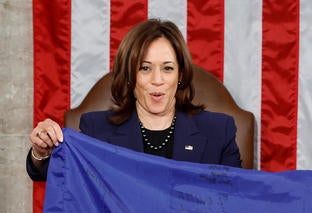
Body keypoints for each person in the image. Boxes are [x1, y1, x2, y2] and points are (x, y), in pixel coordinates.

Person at [27, 18, 241, 181]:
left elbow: (237, 200)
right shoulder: (96, 130)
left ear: (181, 75)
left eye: (167, 68)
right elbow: (55, 175)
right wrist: (41, 151)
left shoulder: (219, 131)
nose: (157, 80)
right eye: (144, 68)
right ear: (130, 75)